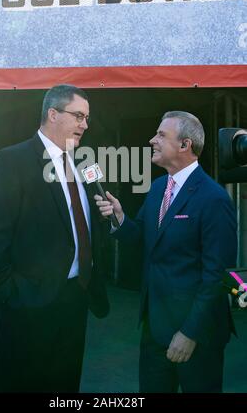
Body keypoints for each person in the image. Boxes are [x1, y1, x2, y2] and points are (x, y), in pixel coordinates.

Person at [0, 84, 109, 393]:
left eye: (87, 118)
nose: (85, 125)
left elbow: (80, 222)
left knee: (64, 385)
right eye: (78, 116)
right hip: (27, 307)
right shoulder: (11, 161)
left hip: (76, 297)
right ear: (52, 114)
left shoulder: (84, 163)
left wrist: (104, 217)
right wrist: (8, 297)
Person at [95, 111, 237, 393]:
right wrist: (120, 219)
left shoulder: (214, 198)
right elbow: (143, 237)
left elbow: (217, 277)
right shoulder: (159, 187)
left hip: (197, 335)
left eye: (161, 135)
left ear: (185, 145)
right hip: (154, 329)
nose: (152, 140)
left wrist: (189, 333)